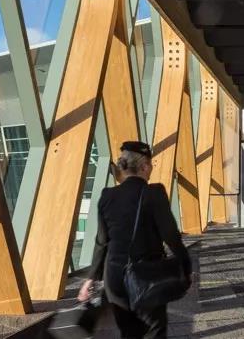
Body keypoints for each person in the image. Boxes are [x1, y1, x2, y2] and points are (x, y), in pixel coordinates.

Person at [79, 141, 192, 338]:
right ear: (144, 167)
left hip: (115, 280)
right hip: (145, 275)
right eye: (151, 164)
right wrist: (186, 267)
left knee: (129, 332)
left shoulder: (107, 195)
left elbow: (102, 242)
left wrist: (90, 279)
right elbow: (171, 237)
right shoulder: (154, 193)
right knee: (154, 329)